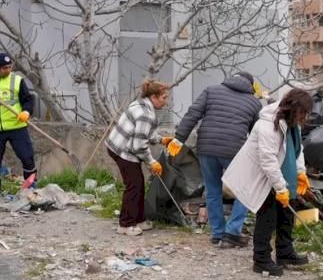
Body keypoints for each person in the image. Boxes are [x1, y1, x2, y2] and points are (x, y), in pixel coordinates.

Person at [223, 89, 313, 276]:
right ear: (292, 108)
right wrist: (280, 188)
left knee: (287, 215)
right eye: (302, 113)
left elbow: (297, 150)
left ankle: (285, 252)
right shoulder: (267, 125)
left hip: (285, 176)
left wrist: (300, 172)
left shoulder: (292, 123)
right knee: (267, 218)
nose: (304, 117)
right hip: (266, 177)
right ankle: (261, 260)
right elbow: (268, 160)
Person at [165, 72, 261, 247]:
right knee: (245, 190)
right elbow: (257, 132)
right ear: (251, 85)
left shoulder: (211, 90)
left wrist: (179, 138)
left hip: (207, 147)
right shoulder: (254, 102)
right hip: (234, 150)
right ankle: (232, 233)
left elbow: (192, 114)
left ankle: (217, 233)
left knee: (213, 189)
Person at [106, 80, 170, 236]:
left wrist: (161, 140)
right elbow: (139, 146)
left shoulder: (140, 104)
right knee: (134, 186)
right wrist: (152, 162)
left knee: (138, 184)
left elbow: (144, 132)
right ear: (154, 97)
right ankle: (126, 225)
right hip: (123, 151)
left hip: (117, 144)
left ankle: (140, 220)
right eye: (164, 97)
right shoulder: (145, 114)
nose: (166, 101)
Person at [0, 53, 36, 208]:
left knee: (27, 157)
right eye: (5, 68)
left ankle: (31, 191)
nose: (9, 70)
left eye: (10, 66)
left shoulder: (17, 80)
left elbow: (28, 100)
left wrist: (26, 112)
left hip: (16, 127)